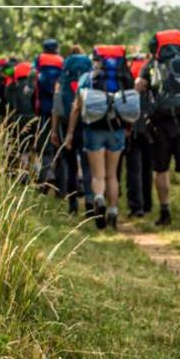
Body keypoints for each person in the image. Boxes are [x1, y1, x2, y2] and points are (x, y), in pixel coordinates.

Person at [67, 44, 137, 230]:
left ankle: (98, 199)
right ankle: (113, 212)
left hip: (93, 130)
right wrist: (128, 127)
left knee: (98, 175)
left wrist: (70, 133)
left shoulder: (87, 78)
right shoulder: (124, 77)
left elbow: (76, 108)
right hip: (117, 130)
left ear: (96, 60)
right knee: (112, 175)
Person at [136, 30, 180, 228]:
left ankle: (165, 212)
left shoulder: (153, 65)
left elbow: (139, 86)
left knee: (161, 169)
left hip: (160, 123)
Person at [56, 45, 94, 215]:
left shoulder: (63, 76)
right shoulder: (89, 76)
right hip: (87, 122)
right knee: (88, 166)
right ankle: (89, 203)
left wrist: (54, 130)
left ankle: (72, 205)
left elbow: (56, 106)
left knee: (71, 166)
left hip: (66, 123)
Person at [123, 53, 155, 218]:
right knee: (147, 167)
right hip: (149, 127)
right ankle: (148, 204)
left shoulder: (128, 73)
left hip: (133, 126)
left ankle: (136, 206)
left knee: (133, 168)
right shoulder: (150, 70)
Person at [33, 40, 66, 192]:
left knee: (44, 146)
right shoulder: (61, 61)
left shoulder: (39, 60)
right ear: (56, 49)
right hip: (58, 109)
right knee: (60, 144)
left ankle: (45, 178)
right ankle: (61, 184)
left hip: (42, 110)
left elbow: (34, 82)